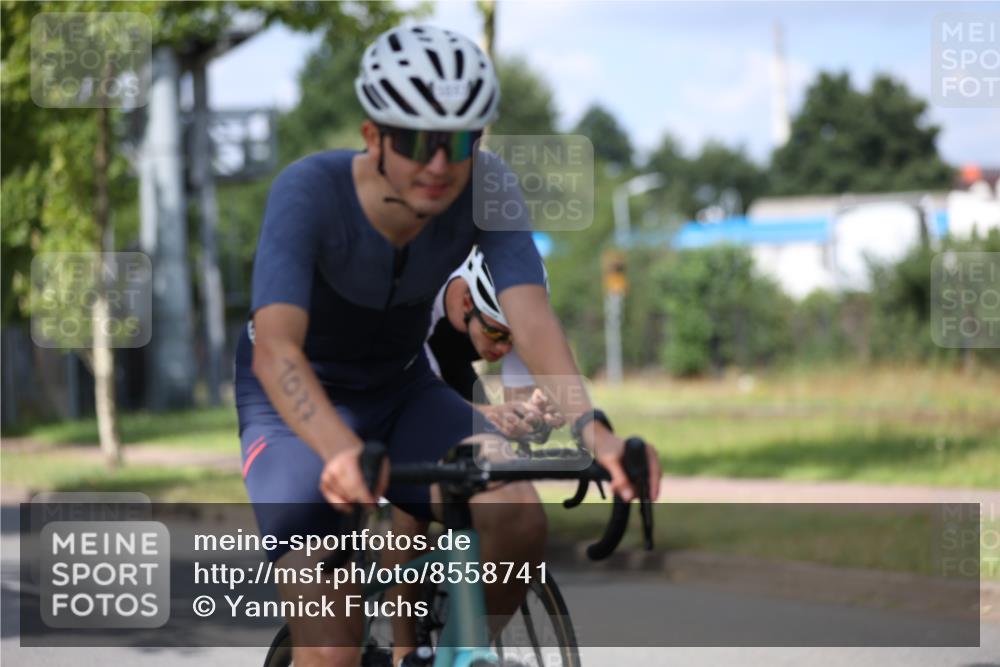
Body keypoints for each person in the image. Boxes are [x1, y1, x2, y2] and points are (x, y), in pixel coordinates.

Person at [234, 24, 661, 667]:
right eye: (417, 142)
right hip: (293, 408)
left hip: (402, 390)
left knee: (517, 514)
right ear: (373, 136)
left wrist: (595, 433)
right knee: (332, 645)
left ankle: (455, 655)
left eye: (459, 141)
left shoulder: (488, 187)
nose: (439, 165)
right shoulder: (309, 193)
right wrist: (340, 450)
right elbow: (276, 350)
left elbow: (531, 319)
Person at [425, 245, 564, 439]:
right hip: (399, 361)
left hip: (455, 365)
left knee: (490, 440)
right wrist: (488, 413)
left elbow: (518, 403)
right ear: (467, 302)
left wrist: (535, 417)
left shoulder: (512, 321)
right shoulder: (425, 298)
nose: (505, 348)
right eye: (496, 334)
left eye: (514, 339)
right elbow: (424, 399)